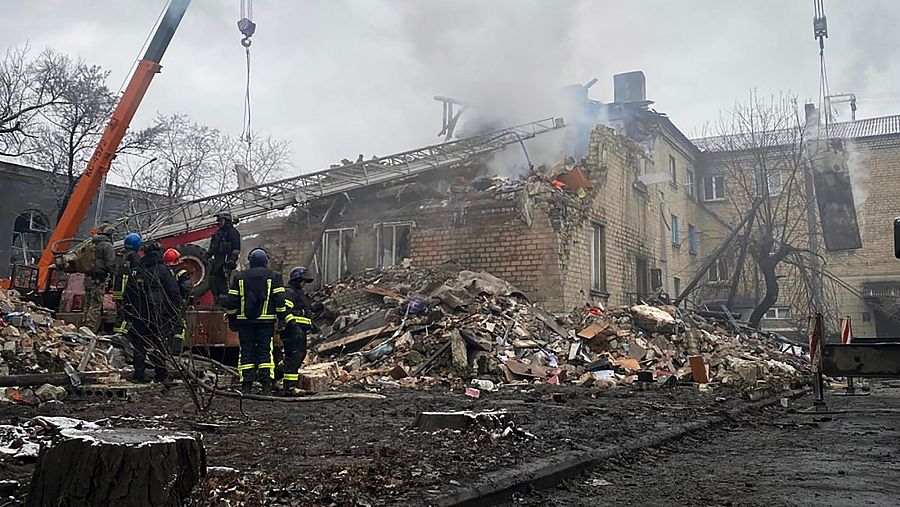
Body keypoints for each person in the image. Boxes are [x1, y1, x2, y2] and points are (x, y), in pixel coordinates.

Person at [224, 248, 286, 395]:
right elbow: (279, 300)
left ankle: (246, 386)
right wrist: (282, 319)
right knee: (265, 352)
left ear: (250, 261)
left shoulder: (239, 277)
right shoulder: (274, 276)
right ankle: (266, 386)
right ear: (265, 261)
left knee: (246, 352)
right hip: (266, 323)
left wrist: (232, 320)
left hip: (245, 323)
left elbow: (232, 302)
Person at [122, 242, 182, 384]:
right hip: (158, 315)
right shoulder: (163, 270)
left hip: (139, 315)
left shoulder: (137, 270)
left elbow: (128, 293)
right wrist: (174, 313)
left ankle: (139, 374)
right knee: (160, 345)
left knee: (139, 345)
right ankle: (161, 374)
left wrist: (128, 312)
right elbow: (174, 293)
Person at [281, 266, 320, 395]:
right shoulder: (290, 292)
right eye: (303, 281)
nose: (304, 284)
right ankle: (289, 388)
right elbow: (285, 311)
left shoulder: (299, 293)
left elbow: (303, 312)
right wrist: (293, 326)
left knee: (296, 356)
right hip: (292, 331)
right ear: (297, 279)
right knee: (294, 357)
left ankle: (273, 378)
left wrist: (311, 323)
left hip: (299, 330)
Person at [83, 224, 117, 332]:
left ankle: (83, 326)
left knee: (87, 304)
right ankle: (89, 329)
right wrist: (114, 277)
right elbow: (110, 264)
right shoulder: (107, 246)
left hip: (88, 278)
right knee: (96, 304)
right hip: (99, 280)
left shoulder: (91, 243)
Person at [208, 211, 241, 305]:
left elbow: (236, 248)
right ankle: (217, 301)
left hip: (227, 263)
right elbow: (213, 247)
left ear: (226, 221)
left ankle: (226, 304)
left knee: (224, 285)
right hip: (217, 262)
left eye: (220, 220)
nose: (218, 223)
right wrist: (207, 255)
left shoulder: (232, 232)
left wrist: (232, 260)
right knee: (213, 282)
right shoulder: (217, 233)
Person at [112, 232, 143, 334]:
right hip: (127, 288)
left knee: (120, 312)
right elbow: (137, 272)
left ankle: (117, 332)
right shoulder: (134, 257)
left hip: (117, 287)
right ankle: (122, 334)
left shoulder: (119, 255)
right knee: (127, 313)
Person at [163, 248, 192, 354]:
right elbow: (187, 287)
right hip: (178, 302)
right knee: (179, 327)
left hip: (165, 303)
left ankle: (166, 349)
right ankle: (176, 350)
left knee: (167, 326)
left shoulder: (164, 271)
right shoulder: (181, 272)